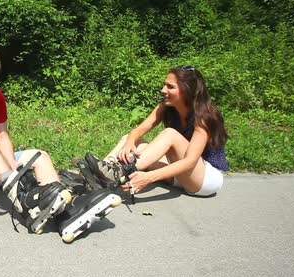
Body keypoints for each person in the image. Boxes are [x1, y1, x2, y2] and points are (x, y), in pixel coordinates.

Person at [0, 43, 121, 242]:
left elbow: (3, 136)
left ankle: (65, 216)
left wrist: (9, 160)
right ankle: (26, 202)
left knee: (39, 156)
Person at [87, 65, 228, 197]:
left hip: (204, 179)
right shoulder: (167, 106)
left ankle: (113, 175)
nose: (163, 90)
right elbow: (139, 130)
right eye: (164, 85)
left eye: (170, 86)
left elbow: (190, 162)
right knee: (130, 140)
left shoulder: (204, 117)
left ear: (186, 90)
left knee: (170, 134)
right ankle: (96, 177)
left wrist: (148, 177)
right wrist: (130, 142)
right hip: (179, 173)